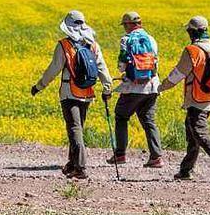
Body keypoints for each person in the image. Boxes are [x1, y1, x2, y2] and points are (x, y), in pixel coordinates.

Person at [159, 15, 210, 182]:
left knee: (200, 133)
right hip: (209, 99)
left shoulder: (192, 51)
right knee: (192, 134)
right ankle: (185, 171)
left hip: (196, 100)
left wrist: (160, 87)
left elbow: (177, 74)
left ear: (192, 32)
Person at [31, 10, 113, 179]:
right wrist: (107, 88)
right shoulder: (93, 45)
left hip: (69, 93)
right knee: (78, 128)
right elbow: (102, 68)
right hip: (87, 93)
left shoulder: (64, 45)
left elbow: (53, 69)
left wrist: (39, 86)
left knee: (74, 129)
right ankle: (72, 163)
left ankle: (80, 167)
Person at [104, 11, 164, 168]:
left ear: (129, 25)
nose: (124, 28)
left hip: (134, 86)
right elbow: (155, 62)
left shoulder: (126, 40)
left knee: (121, 116)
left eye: (125, 25)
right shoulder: (151, 39)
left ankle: (120, 154)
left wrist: (125, 71)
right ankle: (156, 157)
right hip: (152, 85)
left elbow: (121, 65)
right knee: (149, 120)